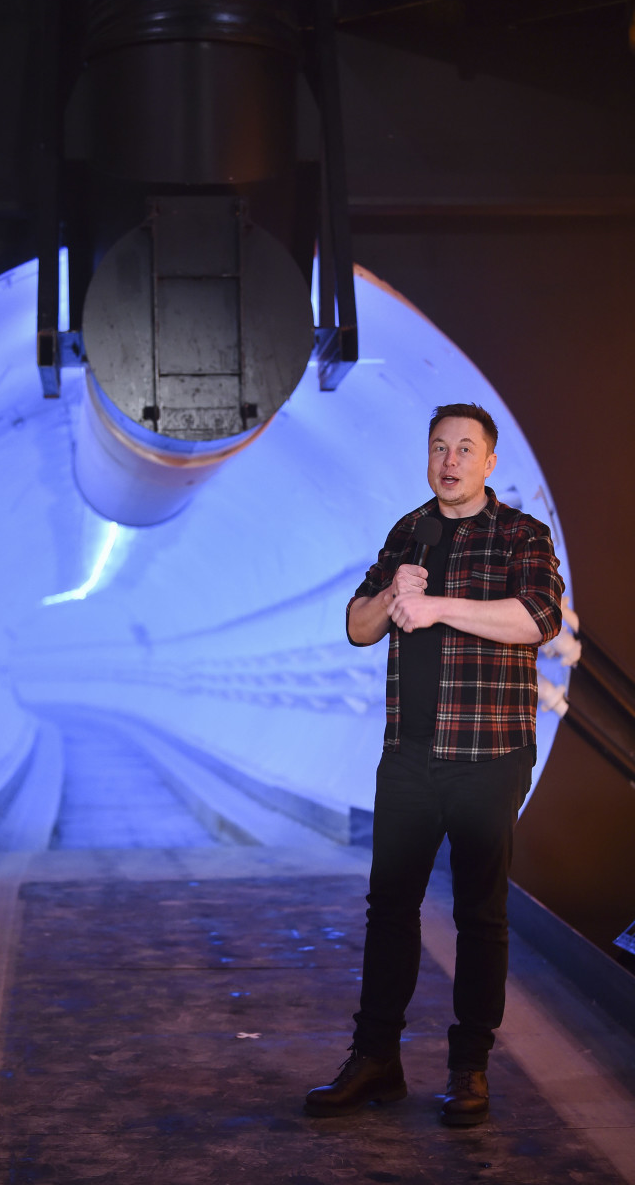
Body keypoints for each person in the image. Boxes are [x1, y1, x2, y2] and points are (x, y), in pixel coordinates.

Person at [305, 402, 564, 1126]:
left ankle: (469, 1069)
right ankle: (377, 1060)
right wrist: (392, 596)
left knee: (480, 913)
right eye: (438, 448)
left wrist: (442, 606)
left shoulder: (522, 534)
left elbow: (538, 618)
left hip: (487, 755)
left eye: (464, 449)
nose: (449, 461)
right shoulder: (408, 530)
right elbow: (357, 627)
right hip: (410, 757)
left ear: (488, 462)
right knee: (390, 908)